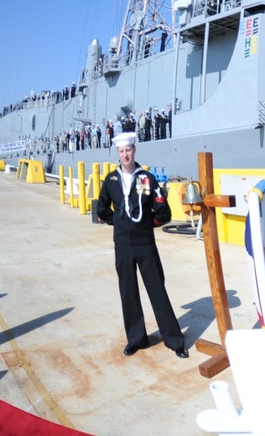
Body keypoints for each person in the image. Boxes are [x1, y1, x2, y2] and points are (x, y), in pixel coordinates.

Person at [96, 132, 187, 359]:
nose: (125, 155)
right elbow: (102, 208)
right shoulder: (111, 180)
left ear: (134, 150)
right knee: (128, 293)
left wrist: (147, 225)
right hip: (123, 246)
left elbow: (163, 212)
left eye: (128, 150)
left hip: (145, 243)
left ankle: (175, 340)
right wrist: (118, 223)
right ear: (118, 153)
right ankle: (136, 339)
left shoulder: (147, 178)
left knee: (157, 290)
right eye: (121, 151)